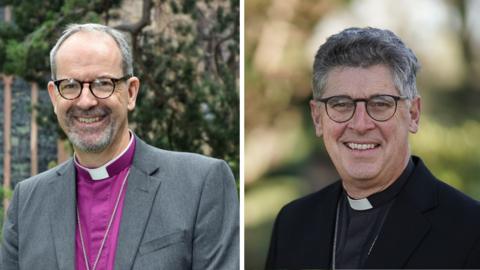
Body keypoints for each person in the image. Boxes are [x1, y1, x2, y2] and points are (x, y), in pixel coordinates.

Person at [1, 23, 239, 270]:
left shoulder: (199, 184)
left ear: (132, 92)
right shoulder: (27, 201)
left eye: (103, 83)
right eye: (70, 85)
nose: (86, 101)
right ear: (54, 96)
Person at [266, 27, 480, 269]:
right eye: (341, 104)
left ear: (413, 114)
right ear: (318, 118)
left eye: (380, 104)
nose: (360, 124)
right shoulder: (292, 223)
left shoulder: (471, 229)